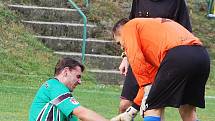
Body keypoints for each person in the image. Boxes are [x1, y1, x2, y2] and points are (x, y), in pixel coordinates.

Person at [111, 18, 210, 121]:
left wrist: (146, 87)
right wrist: (132, 111)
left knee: (151, 108)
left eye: (119, 43)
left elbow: (136, 57)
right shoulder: (154, 37)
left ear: (122, 31)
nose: (122, 47)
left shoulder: (128, 27)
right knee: (187, 110)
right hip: (202, 56)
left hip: (178, 56)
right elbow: (150, 80)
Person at [118, 0, 193, 116]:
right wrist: (126, 56)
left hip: (162, 59)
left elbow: (186, 30)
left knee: (156, 107)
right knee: (124, 105)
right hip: (139, 57)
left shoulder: (177, 2)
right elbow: (128, 28)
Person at [29, 57, 109, 121]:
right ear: (66, 72)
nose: (80, 82)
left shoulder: (62, 96)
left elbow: (81, 116)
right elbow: (81, 113)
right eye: (78, 76)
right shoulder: (54, 86)